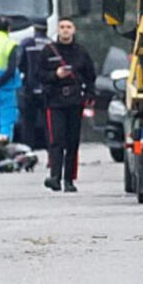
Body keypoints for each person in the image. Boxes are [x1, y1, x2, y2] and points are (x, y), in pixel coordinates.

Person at [40, 17, 96, 193]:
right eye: (62, 27)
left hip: (74, 101)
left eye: (68, 27)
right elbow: (39, 75)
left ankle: (69, 179)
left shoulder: (81, 52)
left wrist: (89, 96)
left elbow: (90, 76)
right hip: (55, 101)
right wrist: (55, 75)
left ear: (74, 30)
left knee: (72, 142)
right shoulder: (48, 51)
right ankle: (54, 176)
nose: (65, 30)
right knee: (57, 140)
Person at [16, 18, 52, 148]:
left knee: (28, 124)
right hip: (46, 89)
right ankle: (51, 154)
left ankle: (28, 150)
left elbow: (20, 64)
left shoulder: (27, 43)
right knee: (48, 123)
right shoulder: (51, 44)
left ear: (34, 28)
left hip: (29, 89)